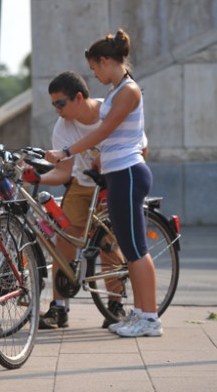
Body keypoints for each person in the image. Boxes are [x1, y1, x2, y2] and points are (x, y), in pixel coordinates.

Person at [45, 29, 160, 338]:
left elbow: (104, 131)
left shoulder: (127, 91)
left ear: (106, 61)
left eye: (94, 67)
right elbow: (113, 136)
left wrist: (66, 152)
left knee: (135, 249)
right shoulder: (117, 90)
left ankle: (149, 318)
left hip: (128, 172)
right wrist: (99, 159)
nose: (94, 74)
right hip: (119, 172)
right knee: (131, 250)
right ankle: (140, 314)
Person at [37, 71, 136, 330]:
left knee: (107, 243)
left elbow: (140, 146)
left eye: (60, 103)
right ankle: (59, 308)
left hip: (112, 183)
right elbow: (64, 172)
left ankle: (115, 304)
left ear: (78, 97)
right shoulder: (63, 127)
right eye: (53, 104)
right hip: (82, 185)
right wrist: (37, 177)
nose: (57, 110)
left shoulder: (109, 111)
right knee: (64, 239)